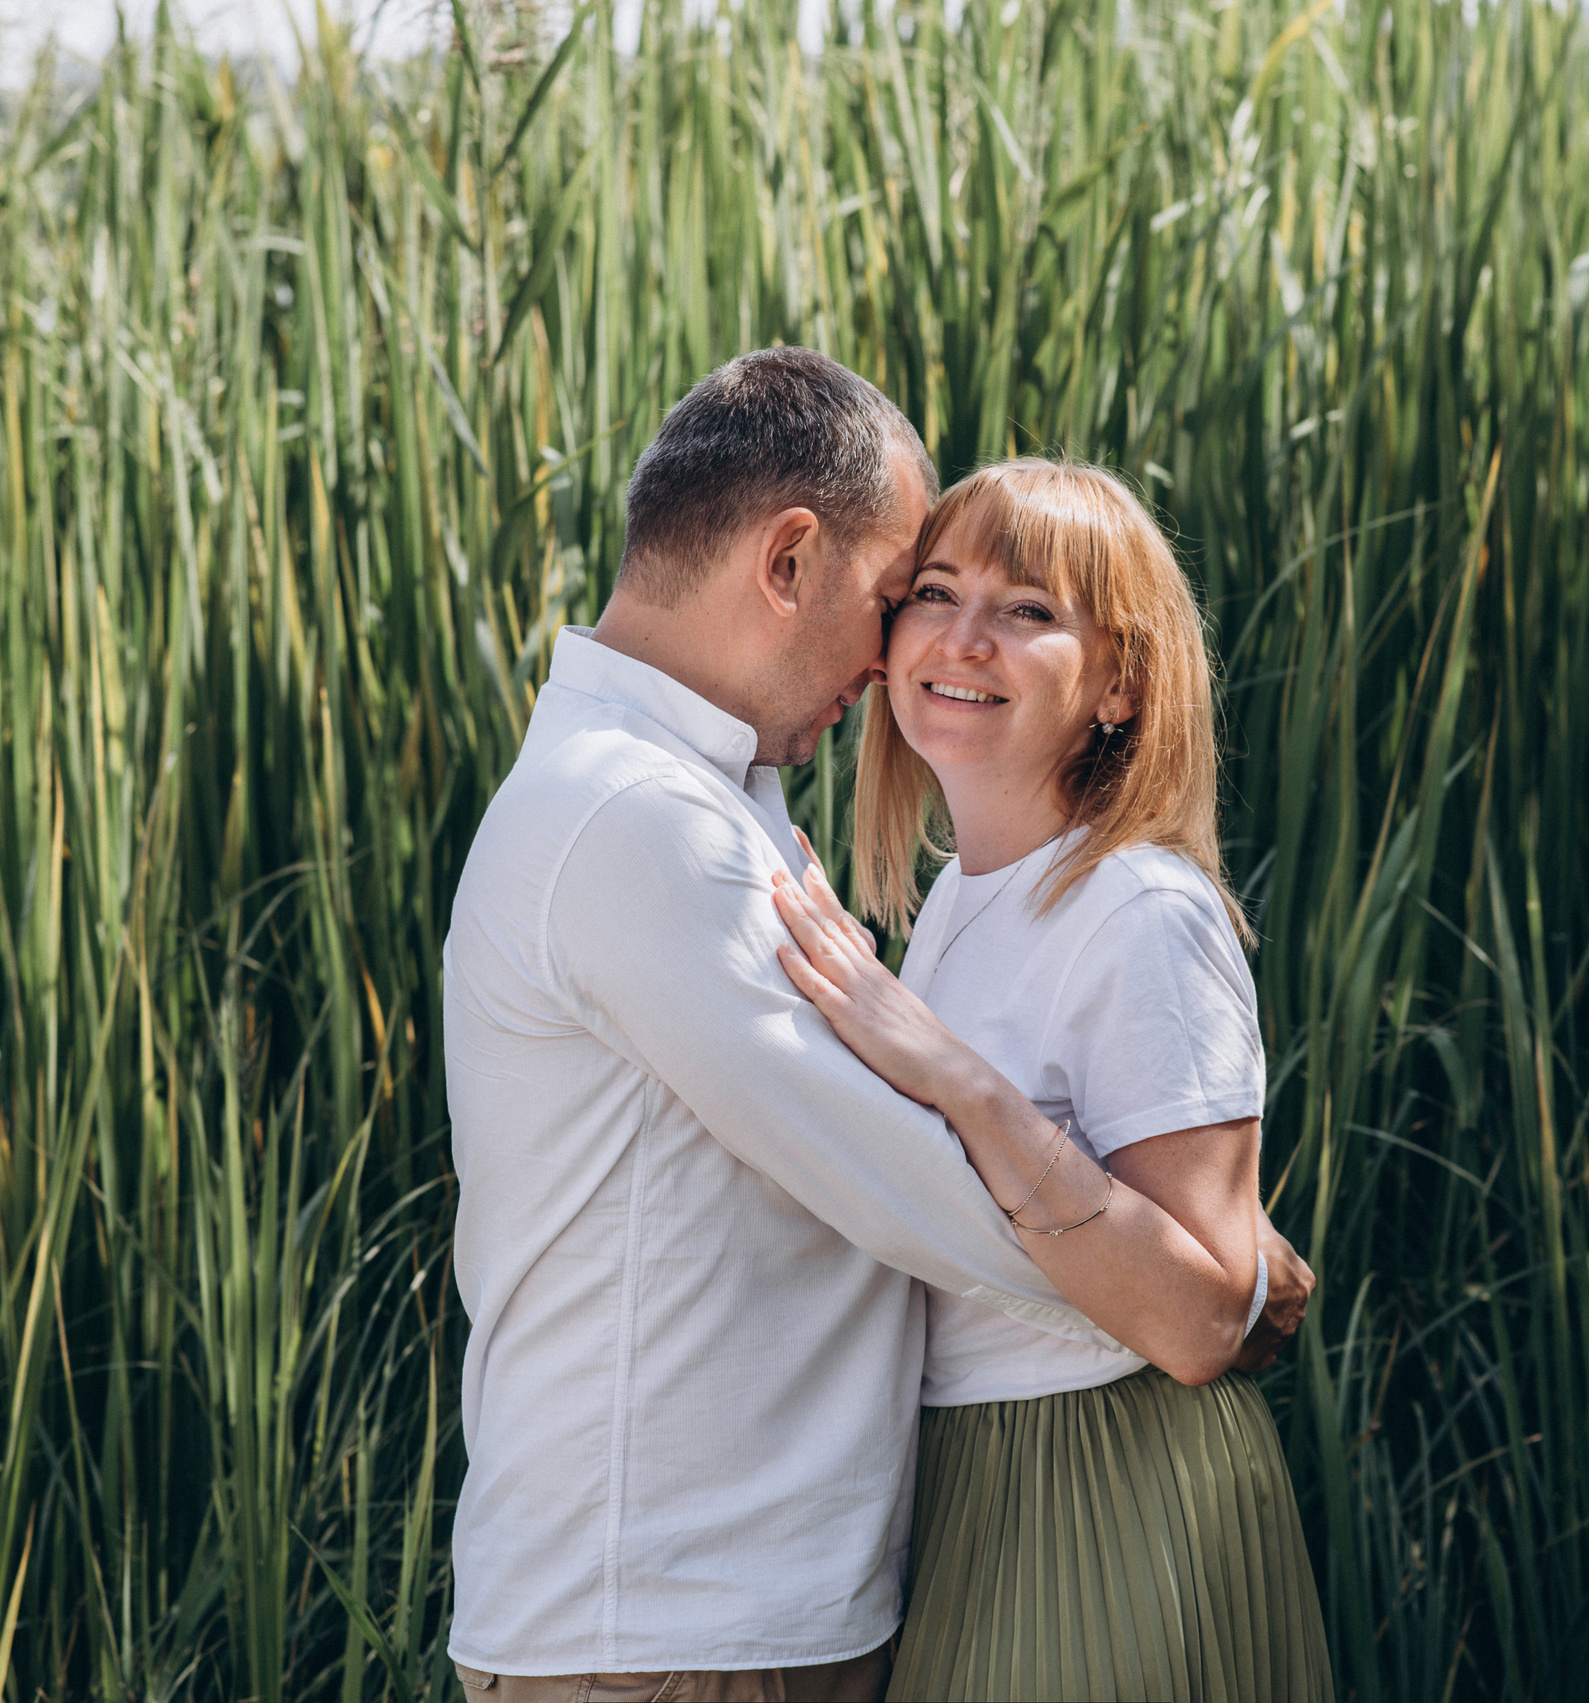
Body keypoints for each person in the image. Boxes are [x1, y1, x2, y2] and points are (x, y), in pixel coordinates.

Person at [440, 353, 1305, 1702]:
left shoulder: (722, 803)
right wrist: (1211, 1293)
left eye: (1010, 609)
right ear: (790, 559)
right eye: (905, 595)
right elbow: (911, 1185)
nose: (902, 645)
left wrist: (1193, 1266)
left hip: (757, 1603)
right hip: (673, 1629)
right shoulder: (644, 818)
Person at [767, 458, 1335, 1702]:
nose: (963, 637)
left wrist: (955, 1078)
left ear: (1120, 682)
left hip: (1110, 1476)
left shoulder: (1138, 906)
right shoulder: (955, 907)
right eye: (935, 590)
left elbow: (1199, 1317)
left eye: (1029, 610)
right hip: (970, 1471)